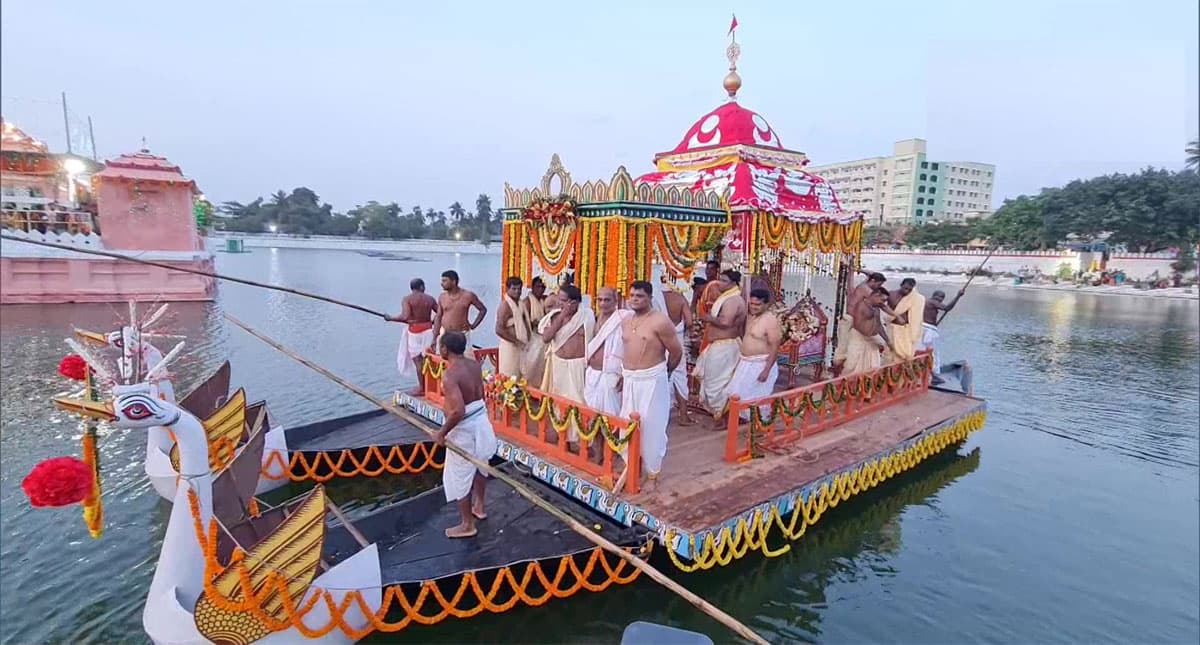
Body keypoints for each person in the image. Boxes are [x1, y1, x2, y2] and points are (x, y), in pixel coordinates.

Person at [434, 331, 497, 539]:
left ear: (445, 349)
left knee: (459, 475)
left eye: (440, 346)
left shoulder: (450, 375)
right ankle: (479, 506)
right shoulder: (474, 364)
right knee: (480, 464)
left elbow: (458, 411)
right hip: (481, 421)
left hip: (465, 428)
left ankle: (467, 524)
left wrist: (442, 433)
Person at [620, 281, 683, 482]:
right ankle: (632, 468)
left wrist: (665, 372)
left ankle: (652, 475)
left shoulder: (660, 321)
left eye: (639, 296)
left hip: (652, 380)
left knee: (651, 429)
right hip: (630, 379)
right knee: (626, 425)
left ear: (649, 297)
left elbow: (676, 352)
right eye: (631, 296)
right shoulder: (626, 320)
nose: (634, 300)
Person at [539, 285, 595, 446]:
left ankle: (584, 443)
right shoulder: (554, 316)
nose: (560, 303)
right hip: (559, 365)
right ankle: (564, 439)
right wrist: (562, 314)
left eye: (564, 301)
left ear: (575, 302)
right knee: (559, 403)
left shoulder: (587, 317)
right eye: (559, 299)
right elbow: (546, 338)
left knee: (580, 403)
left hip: (578, 366)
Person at [693, 269, 746, 426]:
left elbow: (725, 322)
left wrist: (705, 317)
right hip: (719, 346)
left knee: (717, 383)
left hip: (725, 347)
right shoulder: (727, 298)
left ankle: (722, 417)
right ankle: (721, 414)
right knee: (714, 381)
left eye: (723, 280)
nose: (719, 283)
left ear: (733, 284)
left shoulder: (733, 300)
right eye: (720, 279)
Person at [725, 288, 782, 420]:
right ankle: (743, 427)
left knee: (756, 400)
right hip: (746, 363)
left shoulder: (770, 320)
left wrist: (766, 370)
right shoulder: (750, 316)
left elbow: (775, 347)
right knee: (736, 394)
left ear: (766, 304)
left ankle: (760, 429)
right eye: (751, 304)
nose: (754, 307)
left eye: (758, 304)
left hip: (760, 365)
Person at [650, 277, 694, 424]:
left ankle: (659, 416)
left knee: (659, 374)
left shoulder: (654, 296)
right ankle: (683, 415)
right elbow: (689, 321)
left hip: (659, 341)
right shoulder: (680, 298)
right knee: (680, 377)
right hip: (677, 341)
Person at [831, 264, 888, 377]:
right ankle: (839, 373)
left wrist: (858, 270)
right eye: (879, 284)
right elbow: (880, 303)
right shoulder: (865, 290)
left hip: (855, 322)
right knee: (843, 351)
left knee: (851, 349)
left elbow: (871, 275)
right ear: (872, 281)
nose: (879, 287)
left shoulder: (864, 286)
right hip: (850, 321)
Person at [584, 287, 631, 422]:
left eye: (607, 300)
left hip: (611, 375)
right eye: (600, 300)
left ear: (615, 301)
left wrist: (624, 373)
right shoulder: (594, 318)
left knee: (612, 419)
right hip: (592, 374)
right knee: (592, 417)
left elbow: (630, 346)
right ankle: (598, 443)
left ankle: (610, 444)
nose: (603, 303)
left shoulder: (623, 318)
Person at [385, 278, 438, 393]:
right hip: (428, 330)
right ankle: (430, 386)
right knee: (429, 360)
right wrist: (433, 321)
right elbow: (440, 313)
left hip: (415, 332)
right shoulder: (430, 299)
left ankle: (422, 388)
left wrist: (391, 318)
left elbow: (405, 317)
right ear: (422, 287)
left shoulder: (407, 299)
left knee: (418, 361)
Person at [431, 270, 487, 359]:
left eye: (445, 281)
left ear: (454, 281)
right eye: (442, 281)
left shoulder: (468, 295)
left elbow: (482, 310)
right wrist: (434, 337)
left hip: (462, 334)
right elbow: (438, 317)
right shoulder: (442, 297)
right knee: (444, 361)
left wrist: (474, 325)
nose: (442, 283)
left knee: (467, 359)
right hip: (446, 334)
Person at [843, 287, 894, 375]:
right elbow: (858, 325)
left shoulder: (877, 309)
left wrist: (887, 341)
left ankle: (865, 387)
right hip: (858, 338)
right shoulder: (861, 305)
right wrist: (872, 338)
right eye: (882, 300)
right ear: (876, 295)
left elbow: (879, 326)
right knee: (850, 367)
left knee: (874, 366)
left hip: (871, 340)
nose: (883, 303)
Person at [920, 287, 965, 378]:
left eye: (941, 298)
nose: (940, 300)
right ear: (935, 296)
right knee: (934, 353)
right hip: (929, 329)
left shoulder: (925, 301)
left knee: (923, 350)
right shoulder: (932, 301)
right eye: (940, 298)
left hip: (923, 327)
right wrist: (958, 296)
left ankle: (925, 371)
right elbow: (947, 308)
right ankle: (935, 374)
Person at [494, 276, 529, 377]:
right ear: (507, 289)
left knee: (521, 377)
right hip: (510, 347)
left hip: (521, 347)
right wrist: (517, 342)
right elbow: (499, 329)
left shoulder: (520, 304)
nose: (517, 291)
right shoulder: (505, 306)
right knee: (509, 377)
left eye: (519, 289)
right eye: (514, 289)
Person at [885, 278, 926, 363]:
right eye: (905, 288)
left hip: (905, 330)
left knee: (905, 354)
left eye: (909, 290)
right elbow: (882, 305)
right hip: (892, 328)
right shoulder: (891, 294)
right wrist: (895, 315)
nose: (906, 291)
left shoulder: (916, 298)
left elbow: (917, 316)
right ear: (901, 285)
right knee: (890, 351)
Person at [520, 277, 551, 385]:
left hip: (544, 339)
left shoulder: (545, 300)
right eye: (538, 287)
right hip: (532, 339)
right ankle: (530, 389)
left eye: (543, 287)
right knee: (531, 368)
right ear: (532, 287)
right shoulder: (527, 302)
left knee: (543, 367)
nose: (541, 289)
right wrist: (534, 324)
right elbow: (523, 322)